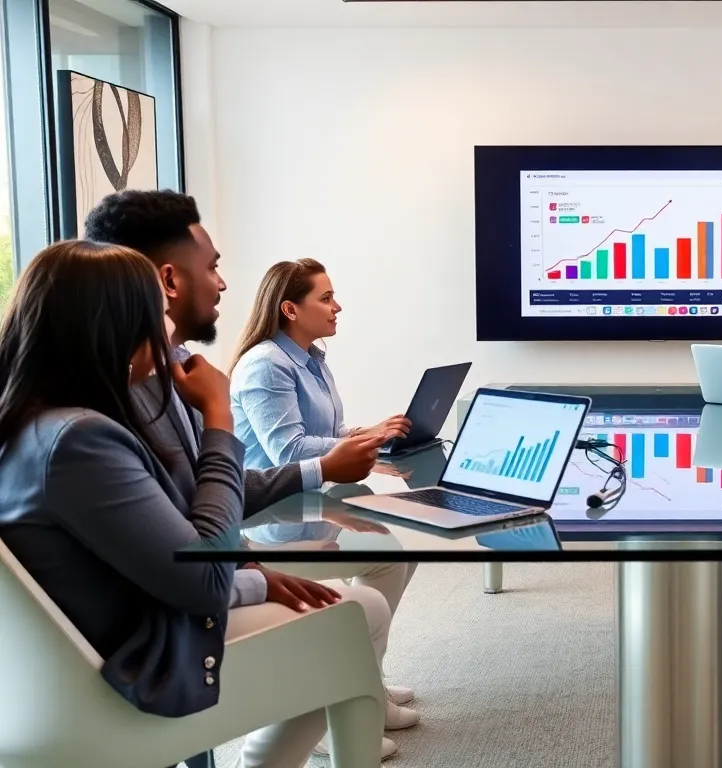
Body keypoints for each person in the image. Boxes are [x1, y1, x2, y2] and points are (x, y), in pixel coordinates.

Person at [0, 241, 397, 764]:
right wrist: (218, 418)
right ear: (118, 325)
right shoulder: (79, 440)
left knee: (338, 615)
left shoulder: (40, 421)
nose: (166, 328)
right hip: (134, 664)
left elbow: (171, 539)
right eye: (157, 313)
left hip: (93, 644)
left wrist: (251, 575)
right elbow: (204, 580)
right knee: (359, 612)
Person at [83, 191, 419, 755]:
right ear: (168, 279)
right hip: (163, 629)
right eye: (212, 267)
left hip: (201, 577)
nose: (222, 283)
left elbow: (198, 507)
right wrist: (218, 418)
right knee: (360, 611)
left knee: (376, 579)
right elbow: (197, 542)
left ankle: (344, 697)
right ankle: (333, 704)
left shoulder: (168, 376)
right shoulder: (117, 408)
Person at [228, 258, 411, 470]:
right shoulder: (265, 364)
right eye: (326, 299)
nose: (337, 307)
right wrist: (366, 440)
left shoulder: (313, 358)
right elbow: (289, 453)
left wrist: (378, 434)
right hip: (273, 502)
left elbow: (331, 435)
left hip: (310, 492)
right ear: (290, 310)